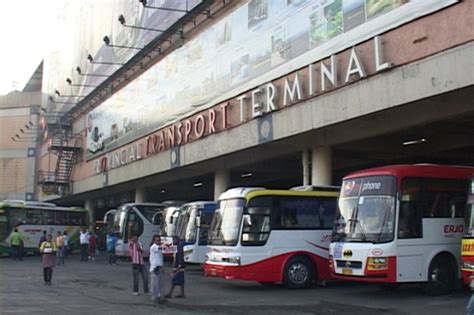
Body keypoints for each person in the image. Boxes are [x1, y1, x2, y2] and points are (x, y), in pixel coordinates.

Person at [149, 235, 165, 304]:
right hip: (154, 268)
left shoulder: (159, 248)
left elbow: (160, 259)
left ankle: (160, 297)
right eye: (157, 240)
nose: (158, 241)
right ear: (154, 241)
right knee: (154, 284)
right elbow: (160, 248)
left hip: (159, 267)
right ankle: (154, 297)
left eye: (159, 240)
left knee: (160, 284)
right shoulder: (153, 247)